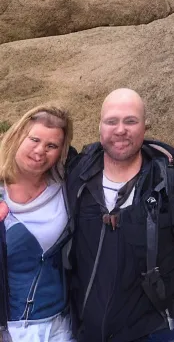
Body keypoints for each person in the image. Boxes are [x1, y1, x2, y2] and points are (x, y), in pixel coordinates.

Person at [66, 89, 174, 342]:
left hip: (153, 330)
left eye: (131, 121)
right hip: (88, 328)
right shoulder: (79, 176)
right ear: (100, 127)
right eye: (112, 121)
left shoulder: (170, 186)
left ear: (145, 127)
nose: (121, 130)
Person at [0, 105, 75, 342]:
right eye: (34, 139)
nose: (40, 151)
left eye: (52, 145)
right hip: (13, 329)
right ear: (18, 136)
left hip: (64, 325)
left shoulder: (67, 186)